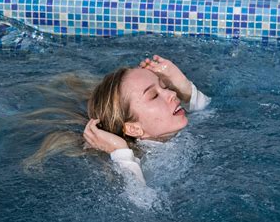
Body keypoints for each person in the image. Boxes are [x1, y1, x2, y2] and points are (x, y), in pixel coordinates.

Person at [83, 55, 211, 189]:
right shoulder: (148, 162)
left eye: (165, 86)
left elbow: (211, 116)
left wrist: (185, 89)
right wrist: (120, 151)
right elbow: (142, 203)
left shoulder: (174, 128)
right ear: (134, 129)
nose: (172, 94)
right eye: (154, 96)